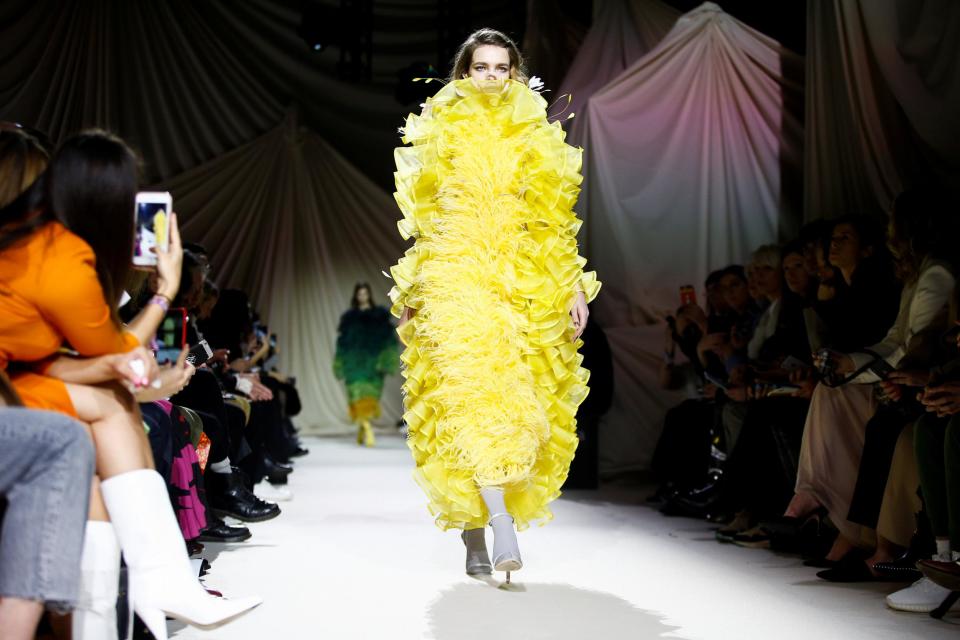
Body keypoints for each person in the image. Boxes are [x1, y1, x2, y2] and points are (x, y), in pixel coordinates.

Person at [0, 129, 260, 639]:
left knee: (114, 411)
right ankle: (157, 578)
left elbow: (53, 359)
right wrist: (163, 292)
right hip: (15, 396)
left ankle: (151, 582)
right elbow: (108, 351)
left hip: (19, 385)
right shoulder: (52, 252)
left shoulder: (35, 251)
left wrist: (128, 371)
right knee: (109, 416)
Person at [388, 28, 600, 582]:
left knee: (516, 402)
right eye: (480, 67)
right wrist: (412, 290)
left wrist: (572, 285)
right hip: (454, 277)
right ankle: (493, 526)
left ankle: (480, 531)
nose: (490, 77)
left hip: (519, 279)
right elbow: (426, 220)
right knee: (468, 400)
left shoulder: (534, 130)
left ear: (514, 72)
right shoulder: (438, 126)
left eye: (500, 68)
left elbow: (553, 219)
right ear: (464, 73)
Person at [333, 282, 399, 447]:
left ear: (369, 295)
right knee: (356, 395)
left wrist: (385, 360)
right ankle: (367, 428)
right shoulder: (349, 317)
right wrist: (340, 362)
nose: (362, 296)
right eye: (360, 294)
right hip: (353, 363)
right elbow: (342, 342)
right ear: (356, 296)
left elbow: (389, 339)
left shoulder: (379, 315)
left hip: (373, 363)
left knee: (370, 397)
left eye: (365, 293)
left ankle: (363, 428)